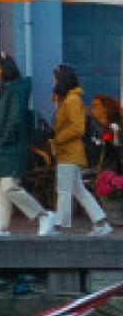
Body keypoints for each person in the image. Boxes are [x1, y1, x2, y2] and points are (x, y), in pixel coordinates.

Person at [0, 51, 48, 235]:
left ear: (2, 68)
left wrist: (3, 140)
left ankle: (42, 215)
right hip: (1, 146)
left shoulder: (15, 91)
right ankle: (2, 227)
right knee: (0, 188)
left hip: (8, 147)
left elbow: (14, 119)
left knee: (9, 187)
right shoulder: (9, 90)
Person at [49, 64, 112, 233]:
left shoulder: (72, 100)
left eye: (55, 79)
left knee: (63, 189)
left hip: (69, 152)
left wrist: (58, 139)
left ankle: (60, 225)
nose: (53, 82)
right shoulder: (67, 100)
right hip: (68, 152)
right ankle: (101, 223)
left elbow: (77, 128)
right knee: (78, 189)